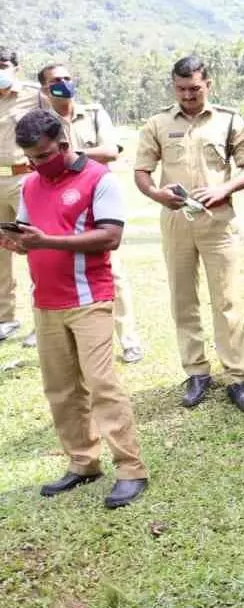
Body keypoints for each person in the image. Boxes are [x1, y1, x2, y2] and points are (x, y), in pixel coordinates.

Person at [2, 110, 147, 507]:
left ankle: (131, 468)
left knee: (102, 385)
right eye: (30, 157)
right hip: (46, 301)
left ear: (64, 145)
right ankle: (83, 462)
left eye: (43, 155)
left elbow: (110, 236)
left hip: (89, 299)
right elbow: (29, 232)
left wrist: (46, 241)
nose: (35, 164)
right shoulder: (31, 183)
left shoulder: (98, 178)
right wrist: (16, 241)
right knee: (61, 389)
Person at [135, 55, 244, 413]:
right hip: (176, 221)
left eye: (194, 88)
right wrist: (156, 194)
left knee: (227, 300)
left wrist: (225, 189)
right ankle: (196, 372)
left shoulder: (229, 120)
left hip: (217, 220)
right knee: (183, 297)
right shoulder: (158, 122)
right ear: (173, 87)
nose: (188, 95)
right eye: (181, 89)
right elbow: (142, 171)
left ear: (208, 85)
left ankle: (236, 376)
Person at [36, 63, 144, 364]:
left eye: (68, 78)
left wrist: (68, 157)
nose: (64, 84)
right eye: (56, 81)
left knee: (113, 270)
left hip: (96, 197)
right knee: (55, 265)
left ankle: (128, 339)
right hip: (57, 201)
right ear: (45, 89)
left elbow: (111, 151)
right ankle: (68, 342)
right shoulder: (41, 122)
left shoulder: (94, 113)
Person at [0, 47, 47, 343]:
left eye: (3, 64)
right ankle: (5, 318)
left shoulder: (34, 96)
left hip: (24, 178)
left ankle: (41, 319)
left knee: (36, 246)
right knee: (1, 251)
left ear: (16, 67)